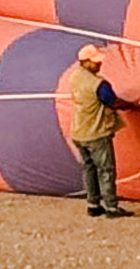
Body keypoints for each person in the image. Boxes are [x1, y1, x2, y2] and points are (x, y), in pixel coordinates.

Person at [56, 43, 133, 218]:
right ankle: (112, 207)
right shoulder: (98, 84)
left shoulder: (75, 76)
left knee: (89, 169)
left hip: (78, 132)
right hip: (96, 133)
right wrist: (133, 106)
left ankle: (93, 204)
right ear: (86, 62)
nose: (100, 64)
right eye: (96, 62)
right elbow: (112, 102)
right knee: (106, 169)